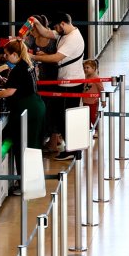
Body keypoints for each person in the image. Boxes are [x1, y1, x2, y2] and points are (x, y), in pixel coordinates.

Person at [0, 41, 47, 172]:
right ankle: (30, 179)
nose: (5, 57)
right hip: (36, 105)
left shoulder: (18, 69)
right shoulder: (28, 63)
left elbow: (9, 92)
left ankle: (24, 181)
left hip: (27, 109)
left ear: (15, 54)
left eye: (7, 54)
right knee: (32, 144)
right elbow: (20, 85)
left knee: (23, 144)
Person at [34, 13, 86, 160]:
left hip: (71, 83)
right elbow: (46, 32)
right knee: (62, 115)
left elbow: (56, 58)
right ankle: (72, 148)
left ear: (63, 24)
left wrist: (35, 57)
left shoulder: (73, 38)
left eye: (57, 26)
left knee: (66, 116)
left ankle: (72, 150)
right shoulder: (65, 33)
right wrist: (35, 22)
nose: (55, 29)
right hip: (65, 80)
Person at [80, 59, 103, 127]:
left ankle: (97, 130)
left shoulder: (96, 78)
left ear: (94, 68)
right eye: (84, 68)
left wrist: (103, 100)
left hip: (94, 102)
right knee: (87, 117)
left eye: (87, 67)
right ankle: (88, 129)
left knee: (93, 116)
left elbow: (101, 89)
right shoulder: (85, 77)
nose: (85, 69)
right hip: (85, 101)